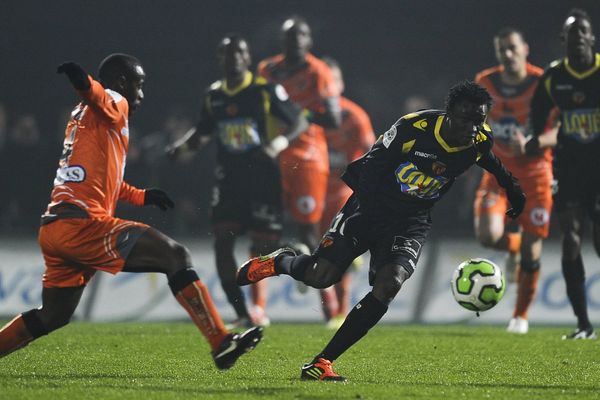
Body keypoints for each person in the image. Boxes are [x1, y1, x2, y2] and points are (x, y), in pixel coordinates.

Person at [237, 81, 526, 381]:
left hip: (411, 220)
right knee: (320, 276)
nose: (472, 126)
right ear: (449, 113)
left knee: (390, 284)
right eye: (466, 118)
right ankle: (281, 261)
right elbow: (372, 168)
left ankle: (323, 362)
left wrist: (512, 188)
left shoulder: (479, 139)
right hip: (368, 207)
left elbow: (487, 159)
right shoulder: (414, 128)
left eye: (479, 120)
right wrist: (371, 219)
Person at [0, 54, 263, 369]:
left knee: (53, 315)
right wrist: (82, 81)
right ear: (123, 83)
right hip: (83, 224)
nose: (141, 94)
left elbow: (103, 179)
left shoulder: (83, 118)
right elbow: (97, 93)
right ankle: (220, 341)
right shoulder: (114, 101)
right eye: (139, 85)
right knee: (176, 257)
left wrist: (141, 196)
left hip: (55, 228)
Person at [167, 35, 307, 328]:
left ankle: (294, 252)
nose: (234, 59)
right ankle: (242, 312)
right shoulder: (214, 94)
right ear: (221, 58)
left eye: (240, 53)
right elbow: (203, 132)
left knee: (263, 246)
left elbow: (299, 121)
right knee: (222, 244)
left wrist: (277, 143)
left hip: (262, 179)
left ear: (247, 58)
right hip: (229, 180)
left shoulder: (264, 90)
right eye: (228, 54)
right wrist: (180, 148)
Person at [473, 28, 555, 334]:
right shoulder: (485, 82)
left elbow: (559, 131)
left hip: (535, 176)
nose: (507, 55)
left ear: (525, 49)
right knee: (487, 236)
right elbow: (475, 124)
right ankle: (514, 247)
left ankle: (520, 317)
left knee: (533, 254)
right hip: (498, 174)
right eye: (502, 50)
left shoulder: (542, 83)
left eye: (512, 48)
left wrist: (534, 143)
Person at [526, 8, 600, 340]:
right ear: (563, 40)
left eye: (583, 31)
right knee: (570, 240)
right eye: (573, 33)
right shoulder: (554, 77)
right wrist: (532, 140)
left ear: (592, 37)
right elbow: (537, 118)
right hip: (568, 168)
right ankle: (583, 324)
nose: (579, 37)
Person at [257, 16, 342, 253]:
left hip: (307, 157)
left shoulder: (319, 72)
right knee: (262, 232)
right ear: (281, 40)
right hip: (272, 156)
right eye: (289, 35)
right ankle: (287, 257)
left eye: (301, 35)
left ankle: (313, 274)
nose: (295, 40)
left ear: (310, 40)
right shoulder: (267, 69)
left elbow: (333, 119)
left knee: (308, 231)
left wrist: (299, 115)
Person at [318, 57, 375, 329]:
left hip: (344, 190)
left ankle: (338, 311)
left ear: (340, 84)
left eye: (332, 81)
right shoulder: (311, 115)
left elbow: (375, 152)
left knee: (337, 244)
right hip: (314, 190)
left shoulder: (355, 116)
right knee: (319, 249)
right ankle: (331, 311)